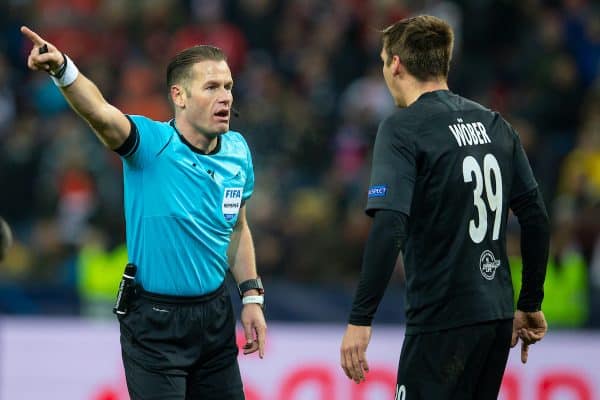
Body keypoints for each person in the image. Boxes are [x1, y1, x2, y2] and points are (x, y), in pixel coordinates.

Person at [22, 26, 266, 400]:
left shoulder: (237, 150)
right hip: (155, 326)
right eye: (212, 87)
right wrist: (63, 70)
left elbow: (238, 228)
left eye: (229, 86)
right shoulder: (151, 144)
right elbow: (102, 114)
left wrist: (251, 297)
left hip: (215, 319)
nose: (225, 97)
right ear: (179, 96)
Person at [340, 15, 550, 399]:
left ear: (396, 64)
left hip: (441, 318)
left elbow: (389, 224)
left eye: (384, 60)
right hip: (496, 317)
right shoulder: (495, 124)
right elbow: (535, 216)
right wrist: (530, 302)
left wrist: (360, 318)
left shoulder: (402, 128)